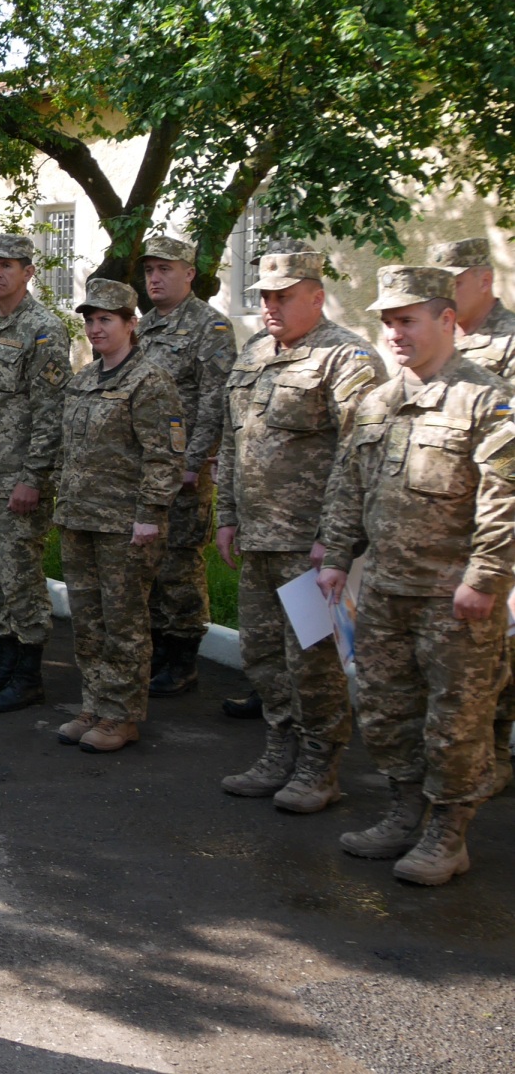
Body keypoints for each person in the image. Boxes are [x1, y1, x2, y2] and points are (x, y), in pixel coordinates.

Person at [318, 264, 515, 885]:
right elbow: (347, 485)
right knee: (385, 708)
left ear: (446, 319)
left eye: (407, 320)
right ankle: (406, 811)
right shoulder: (378, 401)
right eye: (387, 323)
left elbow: (505, 497)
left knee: (456, 721)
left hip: (451, 597)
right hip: (384, 590)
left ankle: (448, 835)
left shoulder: (487, 399)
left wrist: (485, 579)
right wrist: (335, 556)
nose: (395, 334)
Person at [217, 250, 385, 811]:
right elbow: (234, 441)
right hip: (259, 538)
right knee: (263, 655)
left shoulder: (347, 358)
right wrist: (226, 516)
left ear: (316, 296)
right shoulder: (254, 353)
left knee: (312, 661)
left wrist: (336, 541)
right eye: (265, 296)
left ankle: (320, 766)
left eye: (283, 296)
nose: (271, 306)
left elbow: (358, 456)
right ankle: (279, 750)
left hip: (309, 546)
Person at [55, 279, 186, 753]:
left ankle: (122, 715)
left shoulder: (150, 381)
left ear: (132, 324)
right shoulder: (84, 379)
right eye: (90, 320)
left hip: (124, 526)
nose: (95, 328)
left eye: (106, 319)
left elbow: (164, 456)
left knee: (124, 623)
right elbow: (69, 450)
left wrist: (149, 513)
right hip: (79, 519)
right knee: (88, 621)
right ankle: (94, 704)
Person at [0, 235, 71, 711]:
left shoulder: (44, 330)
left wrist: (33, 477)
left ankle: (28, 675)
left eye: (7, 265)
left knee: (21, 579)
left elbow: (51, 413)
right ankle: (3, 664)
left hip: (16, 483)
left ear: (28, 271)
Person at [134, 235, 235, 696]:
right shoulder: (144, 326)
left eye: (165, 269)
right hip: (145, 468)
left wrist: (193, 464)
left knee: (180, 563)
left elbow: (216, 400)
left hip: (183, 472)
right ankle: (158, 651)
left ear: (190, 274)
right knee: (148, 563)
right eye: (149, 270)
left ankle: (183, 659)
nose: (154, 278)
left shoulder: (210, 327)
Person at [437, 237, 515, 795]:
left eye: (456, 280)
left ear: (485, 280)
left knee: (499, 643)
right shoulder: (442, 339)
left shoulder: (508, 343)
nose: (445, 291)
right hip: (441, 523)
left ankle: (496, 754)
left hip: (498, 516)